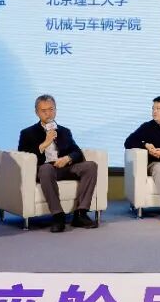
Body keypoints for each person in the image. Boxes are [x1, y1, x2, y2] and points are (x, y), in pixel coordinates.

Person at [17, 94, 99, 232]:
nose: (48, 114)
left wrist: (67, 158)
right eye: (44, 111)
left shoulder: (64, 131)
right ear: (37, 112)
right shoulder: (27, 133)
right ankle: (58, 215)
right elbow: (23, 156)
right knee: (46, 169)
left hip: (64, 167)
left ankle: (81, 213)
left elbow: (77, 152)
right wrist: (45, 143)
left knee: (91, 166)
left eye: (51, 109)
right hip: (44, 169)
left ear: (55, 110)